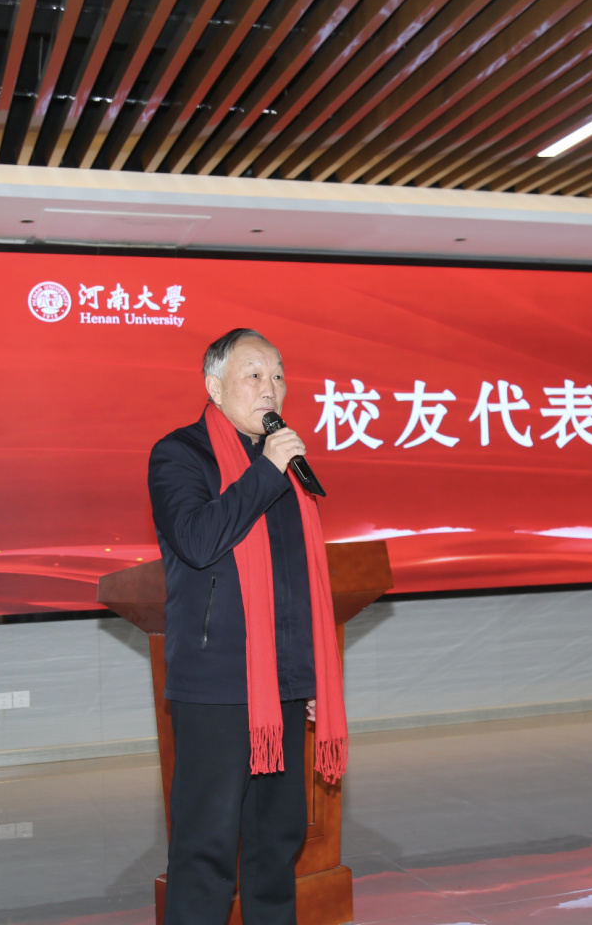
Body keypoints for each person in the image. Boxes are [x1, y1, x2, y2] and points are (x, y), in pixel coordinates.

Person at [148, 328, 347, 925]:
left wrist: (307, 674)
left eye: (278, 375)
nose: (271, 387)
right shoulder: (180, 454)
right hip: (216, 686)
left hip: (280, 685)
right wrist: (266, 470)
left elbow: (294, 578)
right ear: (214, 386)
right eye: (254, 374)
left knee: (276, 843)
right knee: (206, 848)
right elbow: (198, 540)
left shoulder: (284, 466)